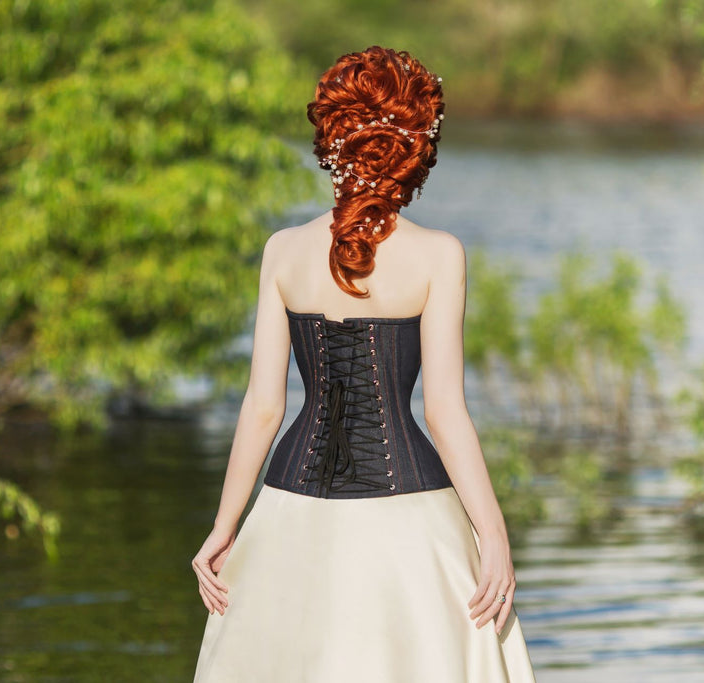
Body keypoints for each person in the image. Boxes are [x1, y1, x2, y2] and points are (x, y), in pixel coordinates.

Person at [190, 46, 538, 682]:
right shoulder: (439, 255)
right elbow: (444, 412)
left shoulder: (283, 251)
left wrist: (224, 526)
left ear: (330, 142)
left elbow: (265, 407)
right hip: (411, 518)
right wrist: (494, 538)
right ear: (415, 149)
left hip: (288, 511)